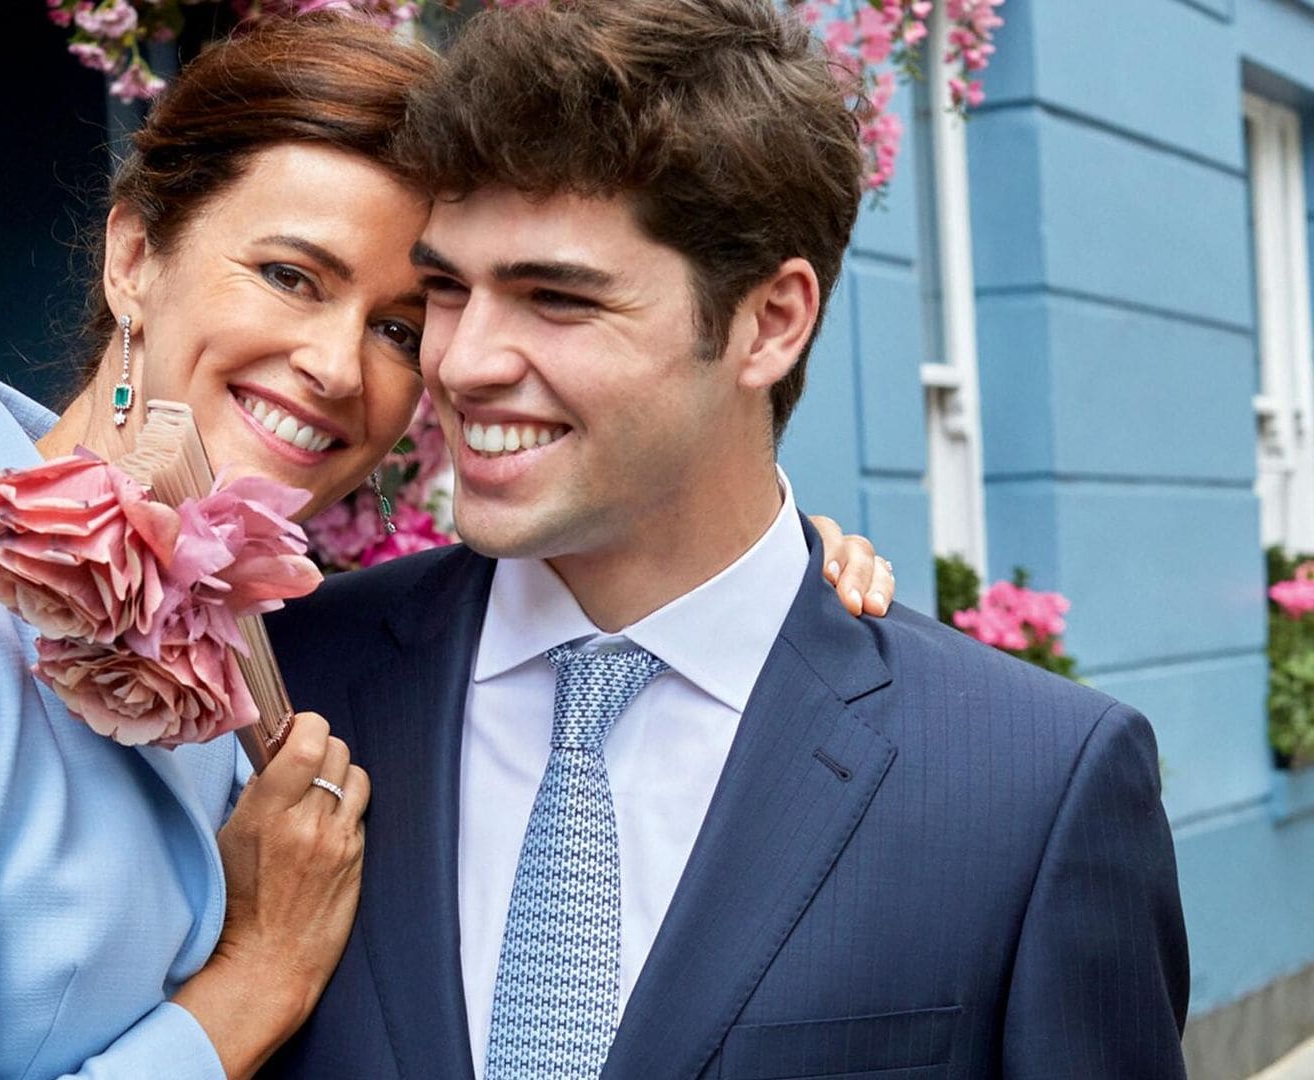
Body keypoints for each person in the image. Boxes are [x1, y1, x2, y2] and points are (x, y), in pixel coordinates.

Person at [0, 14, 897, 1080]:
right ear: (134, 255)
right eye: (289, 276)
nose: (338, 368)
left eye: (400, 324)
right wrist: (247, 988)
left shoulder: (258, 627)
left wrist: (762, 577)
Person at [259, 3, 1190, 1078]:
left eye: (556, 298)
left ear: (771, 321)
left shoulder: (1029, 783)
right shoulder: (288, 681)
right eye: (447, 290)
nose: (462, 364)